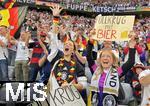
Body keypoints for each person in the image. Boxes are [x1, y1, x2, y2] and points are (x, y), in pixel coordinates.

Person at [87, 30, 136, 106]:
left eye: (108, 56)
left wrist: (131, 46)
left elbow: (130, 62)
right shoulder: (95, 69)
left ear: (113, 60)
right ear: (100, 60)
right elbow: (89, 57)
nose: (105, 58)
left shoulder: (117, 72)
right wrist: (90, 43)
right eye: (103, 56)